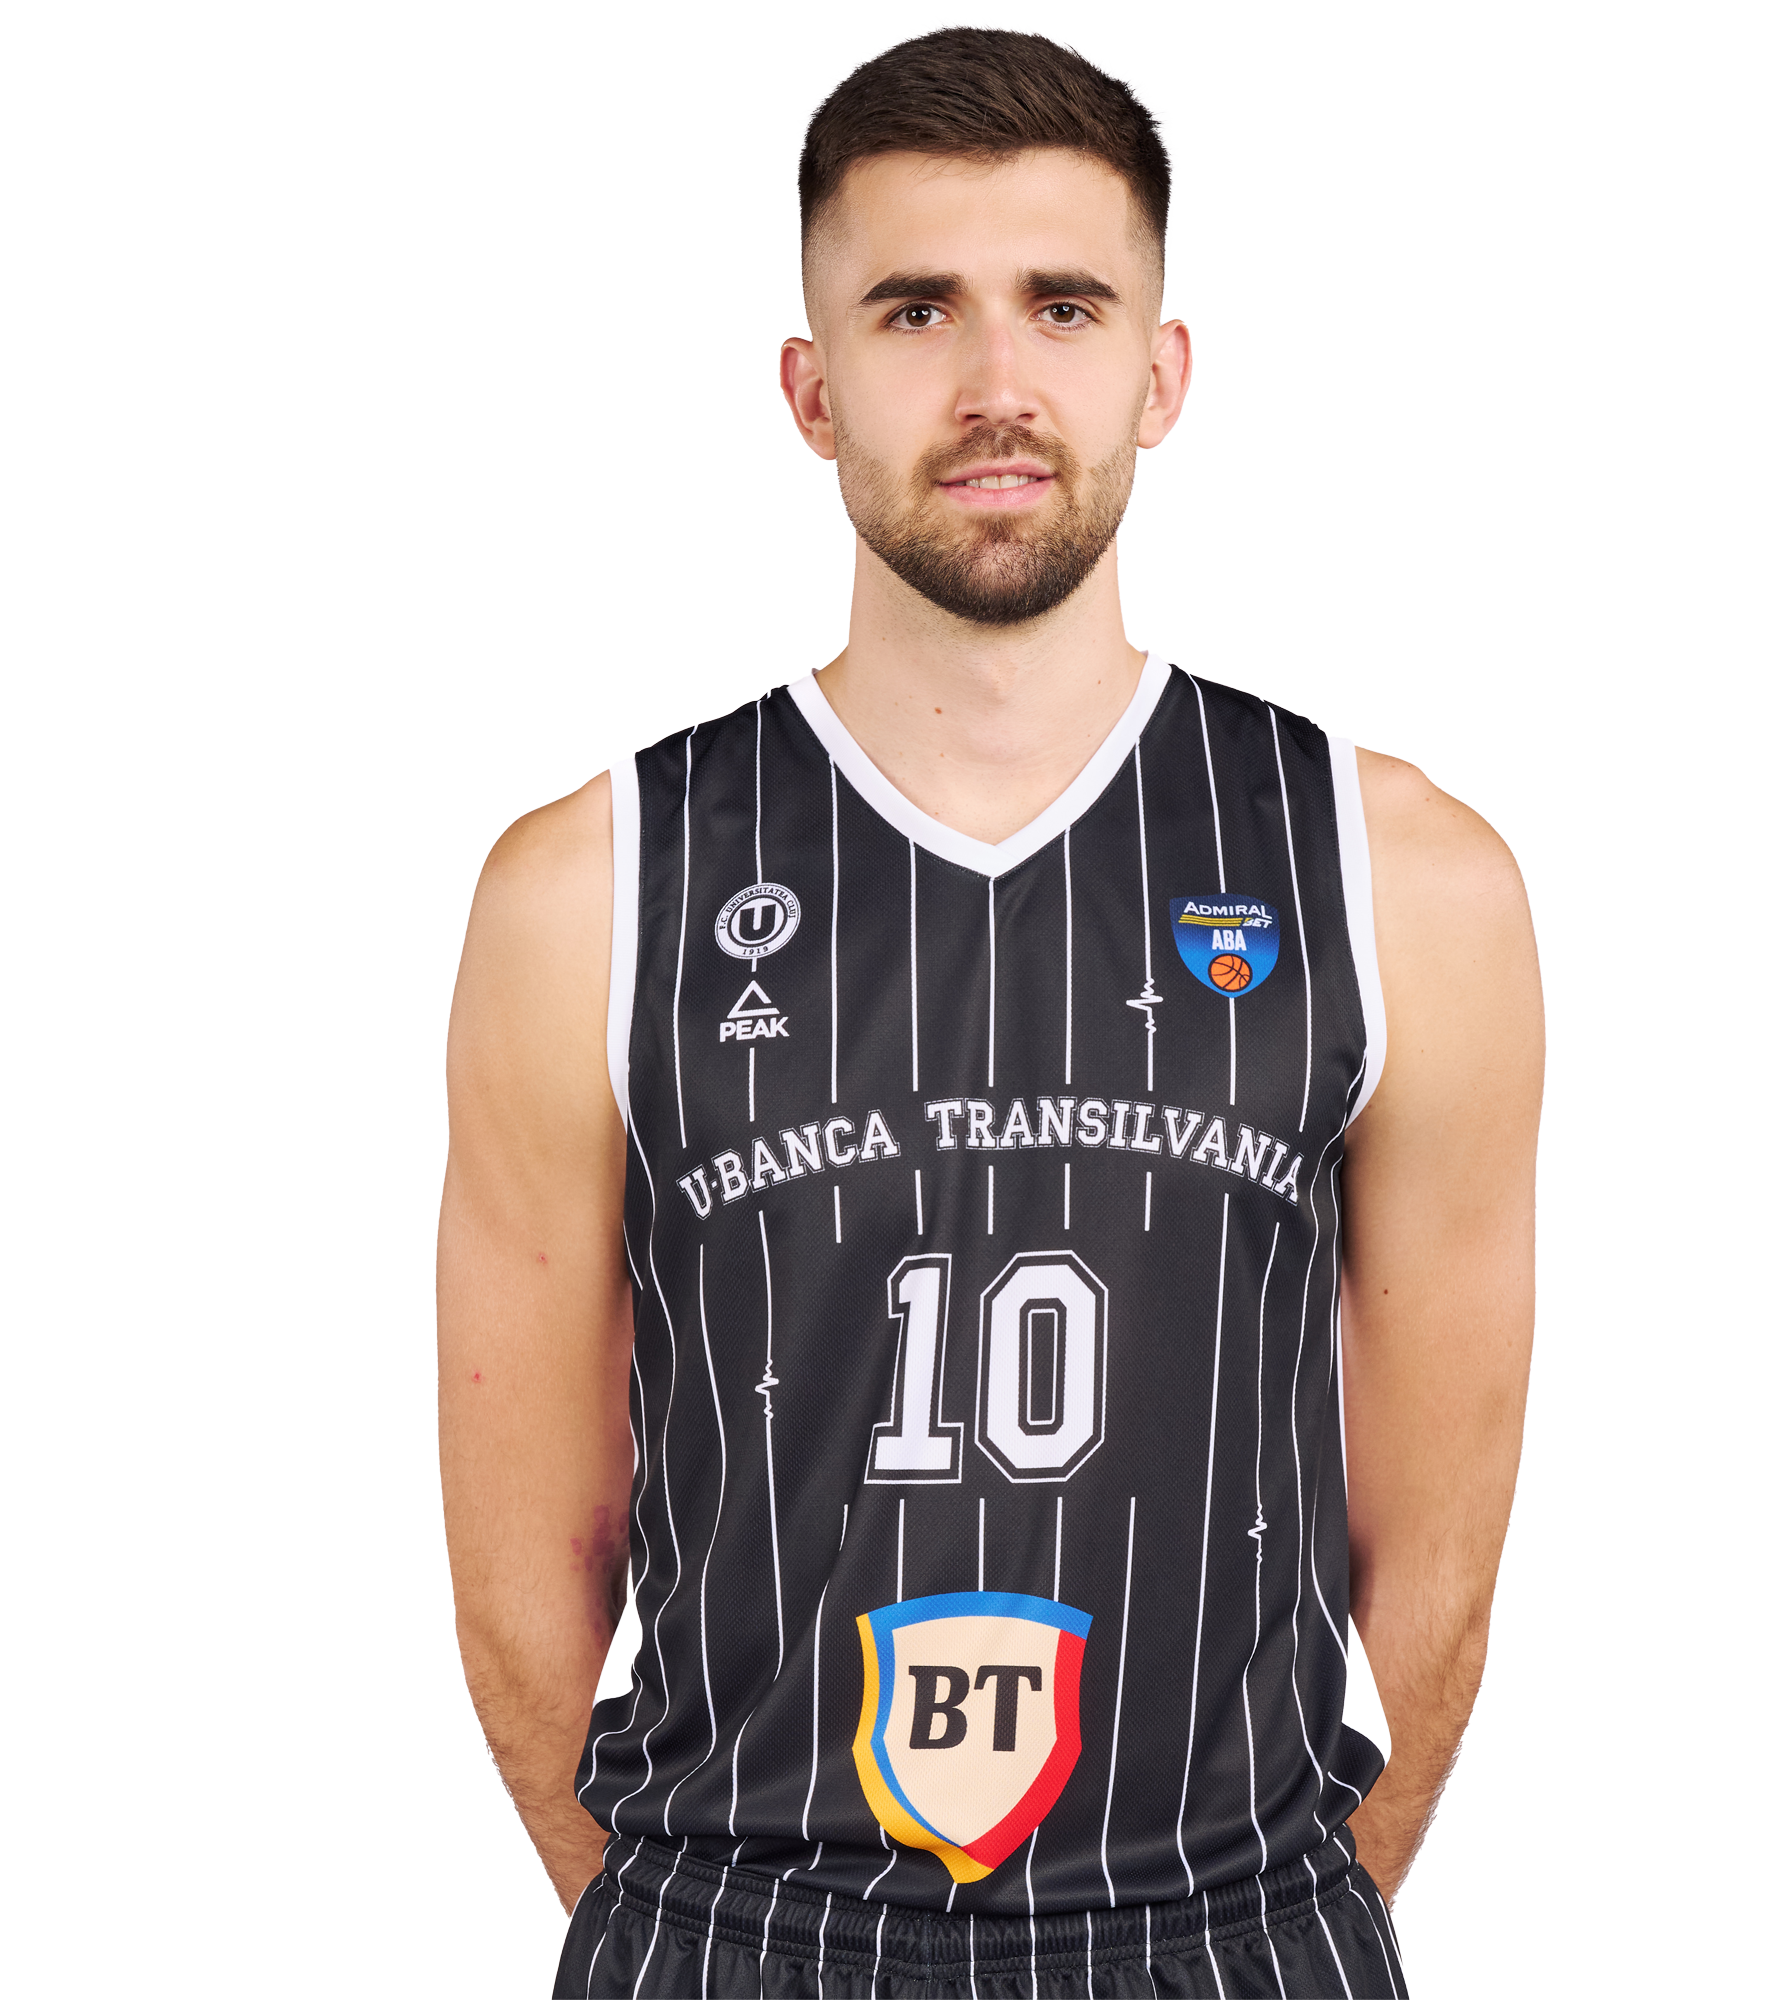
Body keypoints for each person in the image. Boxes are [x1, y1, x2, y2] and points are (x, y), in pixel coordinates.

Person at [439, 26, 1541, 2000]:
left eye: (1063, 304)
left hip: (1226, 1936)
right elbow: (530, 1567)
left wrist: (1262, 1925)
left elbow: (1436, 1562)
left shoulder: (1401, 880)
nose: (995, 384)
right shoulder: (590, 890)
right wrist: (702, 1937)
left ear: (1161, 371)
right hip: (742, 1933)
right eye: (915, 308)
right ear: (811, 386)